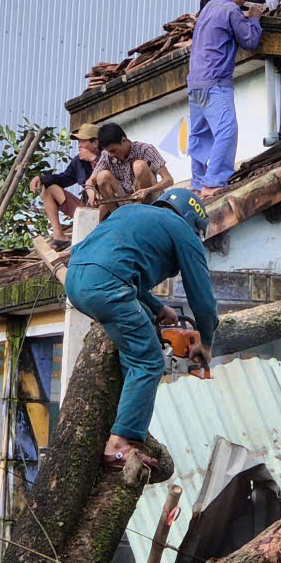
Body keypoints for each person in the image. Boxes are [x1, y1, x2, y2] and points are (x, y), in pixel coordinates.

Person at [64, 189, 217, 468]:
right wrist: (206, 342)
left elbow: (113, 262)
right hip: (108, 287)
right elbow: (203, 298)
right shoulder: (181, 230)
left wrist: (157, 307)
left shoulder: (129, 211)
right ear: (193, 223)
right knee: (148, 360)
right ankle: (121, 444)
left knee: (139, 335)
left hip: (75, 280)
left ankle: (128, 416)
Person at [187, 0, 264, 198]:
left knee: (200, 134)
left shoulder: (208, 8)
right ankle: (214, 182)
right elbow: (250, 41)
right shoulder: (231, 9)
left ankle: (198, 183)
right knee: (227, 129)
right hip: (215, 82)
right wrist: (255, 20)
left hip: (195, 83)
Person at [29, 122, 101, 249]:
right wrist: (41, 178)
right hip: (87, 211)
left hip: (107, 211)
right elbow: (64, 178)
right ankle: (59, 237)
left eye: (83, 141)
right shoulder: (78, 161)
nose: (79, 145)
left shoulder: (108, 156)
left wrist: (93, 159)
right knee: (49, 189)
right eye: (78, 141)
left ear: (95, 143)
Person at [87, 123, 173, 220]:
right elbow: (90, 181)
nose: (111, 155)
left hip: (150, 198)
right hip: (126, 202)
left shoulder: (145, 149)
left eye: (113, 150)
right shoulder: (106, 155)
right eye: (108, 151)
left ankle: (144, 213)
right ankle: (119, 218)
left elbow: (169, 180)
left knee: (139, 165)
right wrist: (91, 192)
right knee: (102, 176)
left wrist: (147, 190)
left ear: (124, 140)